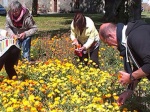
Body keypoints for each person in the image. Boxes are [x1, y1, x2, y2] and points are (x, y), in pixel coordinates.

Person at [99, 20, 150, 105]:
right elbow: (138, 66)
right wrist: (129, 91)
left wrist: (131, 76)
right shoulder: (129, 38)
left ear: (110, 36)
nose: (110, 46)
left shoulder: (136, 36)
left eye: (107, 43)